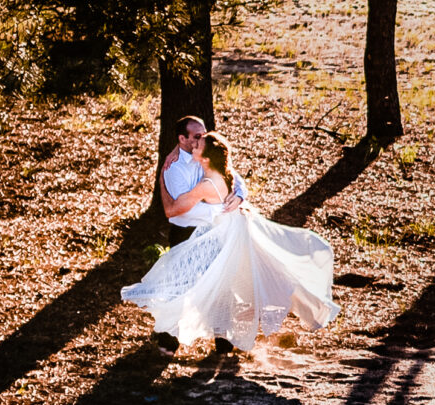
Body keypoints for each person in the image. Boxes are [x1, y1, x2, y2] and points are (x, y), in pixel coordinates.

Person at [121, 130, 339, 354]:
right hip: (229, 232)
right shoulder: (223, 174)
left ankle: (175, 339)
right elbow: (237, 180)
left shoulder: (207, 184)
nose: (194, 146)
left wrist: (161, 179)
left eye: (199, 146)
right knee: (220, 287)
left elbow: (174, 208)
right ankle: (220, 343)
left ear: (206, 159)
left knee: (193, 282)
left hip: (222, 237)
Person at [157, 114, 211, 247]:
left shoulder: (209, 155)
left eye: (204, 135)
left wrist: (238, 197)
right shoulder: (173, 168)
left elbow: (236, 181)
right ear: (182, 139)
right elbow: (184, 210)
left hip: (210, 231)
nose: (203, 140)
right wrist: (221, 209)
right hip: (186, 234)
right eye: (197, 136)